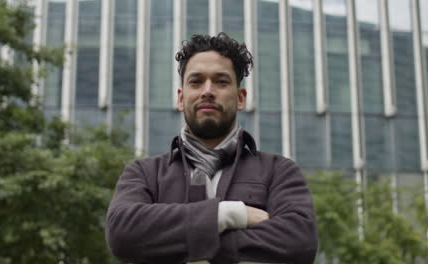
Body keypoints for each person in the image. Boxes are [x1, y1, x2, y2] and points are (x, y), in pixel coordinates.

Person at [105, 32, 318, 264]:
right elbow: (121, 233)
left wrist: (178, 243)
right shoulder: (145, 173)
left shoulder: (279, 171)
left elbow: (299, 241)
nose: (207, 90)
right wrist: (230, 214)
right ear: (180, 98)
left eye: (221, 81)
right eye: (196, 82)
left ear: (240, 98)